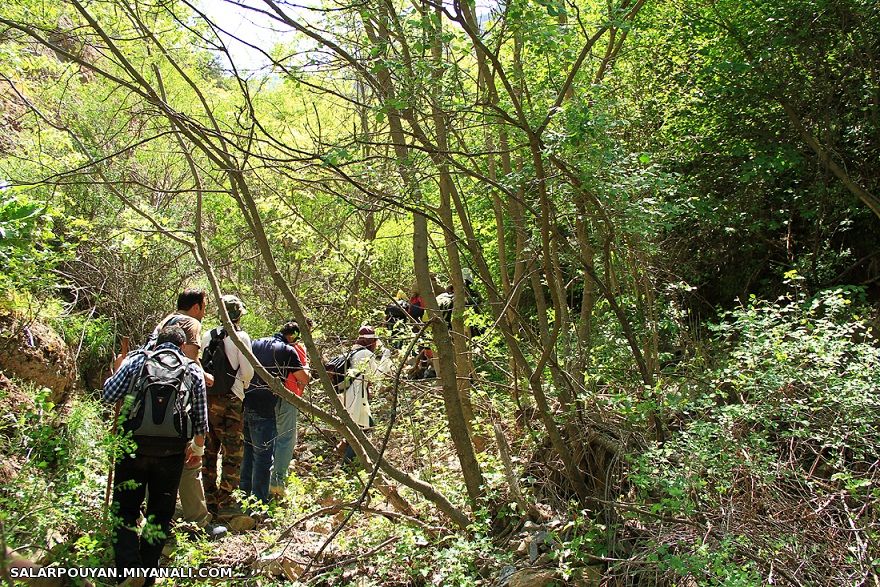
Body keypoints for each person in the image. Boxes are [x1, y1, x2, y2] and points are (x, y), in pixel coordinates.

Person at [103, 325, 208, 584]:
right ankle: (148, 574)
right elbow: (200, 418)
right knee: (160, 513)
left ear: (157, 341)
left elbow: (108, 394)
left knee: (125, 508)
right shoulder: (192, 368)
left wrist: (117, 368)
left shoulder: (137, 360)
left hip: (132, 447)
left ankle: (129, 568)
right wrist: (197, 449)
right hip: (171, 453)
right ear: (183, 345)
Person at [150, 289, 225, 538]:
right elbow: (190, 360)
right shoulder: (191, 324)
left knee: (155, 461)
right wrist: (205, 376)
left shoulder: (164, 322)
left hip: (151, 402)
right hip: (178, 403)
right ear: (196, 307)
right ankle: (199, 522)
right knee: (190, 460)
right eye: (204, 306)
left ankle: (159, 519)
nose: (204, 312)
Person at [241, 321, 308, 504]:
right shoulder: (287, 350)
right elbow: (303, 377)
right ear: (293, 336)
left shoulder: (255, 343)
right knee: (274, 447)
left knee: (249, 451)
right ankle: (267, 493)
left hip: (248, 402)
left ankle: (243, 494)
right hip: (274, 402)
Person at [199, 295, 254, 513]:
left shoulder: (207, 335)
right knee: (232, 452)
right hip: (232, 400)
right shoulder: (240, 336)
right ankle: (226, 500)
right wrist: (243, 387)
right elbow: (248, 370)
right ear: (238, 314)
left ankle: (208, 497)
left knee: (209, 449)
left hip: (208, 397)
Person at [337, 325, 391, 464]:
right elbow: (376, 375)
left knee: (362, 426)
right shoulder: (365, 354)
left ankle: (347, 451)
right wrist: (385, 358)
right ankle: (347, 464)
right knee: (360, 430)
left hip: (348, 395)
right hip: (357, 396)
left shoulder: (352, 351)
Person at [270, 321, 311, 499]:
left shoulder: (273, 346)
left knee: (272, 438)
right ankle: (277, 482)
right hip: (289, 396)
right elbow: (302, 376)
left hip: (270, 396)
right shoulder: (297, 348)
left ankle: (269, 478)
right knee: (286, 439)